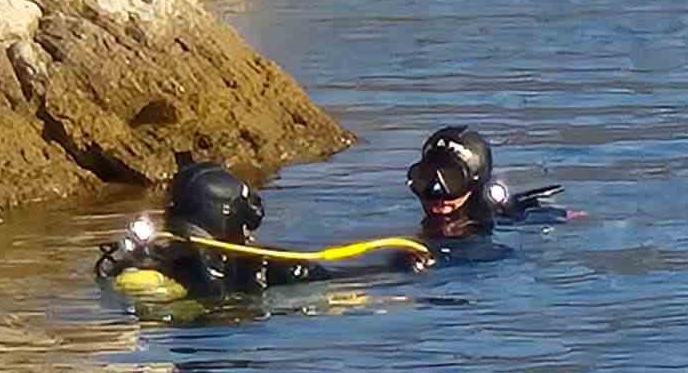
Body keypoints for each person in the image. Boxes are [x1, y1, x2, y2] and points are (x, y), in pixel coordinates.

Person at [97, 160, 429, 302]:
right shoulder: (244, 263)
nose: (249, 236)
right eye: (245, 224)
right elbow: (336, 277)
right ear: (225, 216)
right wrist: (394, 268)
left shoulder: (154, 252)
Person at [406, 126, 565, 237]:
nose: (436, 191)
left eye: (451, 180)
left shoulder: (497, 221)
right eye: (425, 177)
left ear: (474, 182)